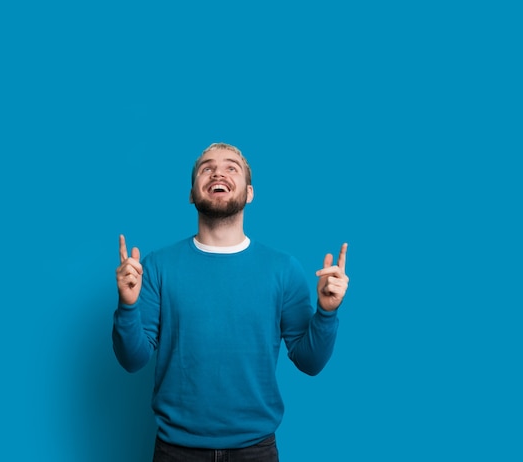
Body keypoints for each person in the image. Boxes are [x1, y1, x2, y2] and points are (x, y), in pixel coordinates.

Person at [113, 142, 349, 461]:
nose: (218, 172)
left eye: (231, 168)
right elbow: (132, 360)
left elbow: (310, 362)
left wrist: (327, 312)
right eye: (206, 168)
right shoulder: (157, 266)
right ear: (191, 193)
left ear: (249, 193)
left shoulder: (283, 269)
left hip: (256, 450)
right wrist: (127, 306)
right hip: (176, 451)